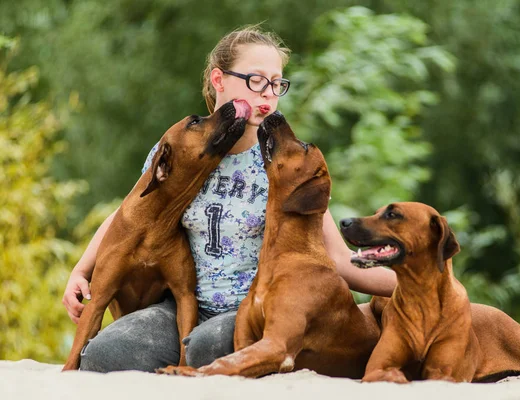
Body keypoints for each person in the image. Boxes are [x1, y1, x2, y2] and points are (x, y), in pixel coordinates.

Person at [62, 25, 396, 373]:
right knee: (105, 353)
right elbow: (129, 213)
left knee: (204, 346)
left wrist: (429, 286)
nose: (268, 94)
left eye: (276, 83)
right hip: (184, 306)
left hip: (252, 310)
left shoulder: (284, 163)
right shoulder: (185, 146)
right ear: (219, 80)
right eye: (256, 80)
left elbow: (338, 260)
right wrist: (81, 269)